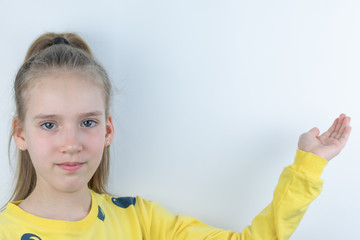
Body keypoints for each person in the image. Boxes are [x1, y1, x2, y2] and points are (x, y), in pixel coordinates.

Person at [0, 32, 351, 240]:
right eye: (49, 124)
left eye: (87, 123)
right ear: (21, 134)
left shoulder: (138, 218)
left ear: (108, 130)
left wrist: (308, 166)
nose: (71, 143)